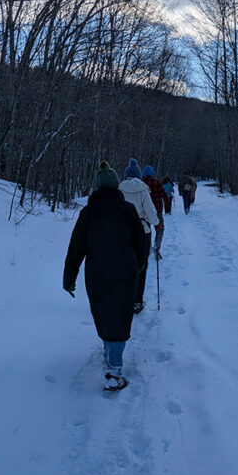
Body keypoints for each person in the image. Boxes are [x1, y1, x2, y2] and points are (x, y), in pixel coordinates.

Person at [63, 161, 145, 392]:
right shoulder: (128, 210)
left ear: (98, 186)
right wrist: (137, 266)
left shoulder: (88, 213)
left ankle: (112, 363)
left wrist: (69, 278)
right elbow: (142, 243)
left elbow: (75, 248)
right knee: (120, 316)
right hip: (125, 272)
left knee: (104, 314)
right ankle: (114, 364)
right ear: (116, 185)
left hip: (97, 273)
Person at [119, 158, 159, 314]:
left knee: (124, 264)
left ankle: (124, 297)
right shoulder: (143, 190)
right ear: (138, 175)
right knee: (141, 266)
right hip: (142, 232)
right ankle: (137, 300)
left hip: (124, 231)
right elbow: (151, 213)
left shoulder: (119, 189)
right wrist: (156, 222)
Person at [141, 165, 169, 258]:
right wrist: (167, 202)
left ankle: (146, 248)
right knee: (160, 228)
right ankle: (157, 247)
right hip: (157, 210)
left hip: (145, 213)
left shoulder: (141, 183)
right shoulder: (156, 182)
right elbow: (164, 195)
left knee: (146, 230)